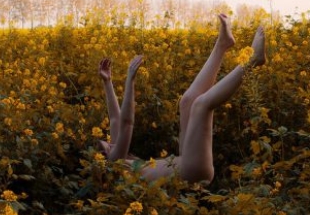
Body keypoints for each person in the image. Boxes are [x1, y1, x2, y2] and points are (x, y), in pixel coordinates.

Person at [97, 13, 266, 184]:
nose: (111, 144)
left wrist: (107, 82)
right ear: (104, 161)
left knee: (188, 101)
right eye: (107, 149)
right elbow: (126, 123)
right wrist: (130, 79)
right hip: (191, 170)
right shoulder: (115, 166)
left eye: (108, 143)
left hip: (186, 160)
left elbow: (115, 119)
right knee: (201, 105)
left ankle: (222, 44)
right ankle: (252, 61)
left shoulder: (119, 159)